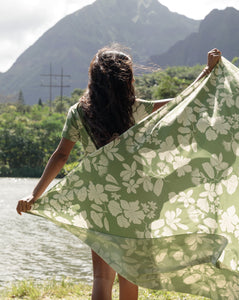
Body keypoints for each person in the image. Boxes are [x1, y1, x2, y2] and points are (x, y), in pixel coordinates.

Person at [16, 46, 221, 300]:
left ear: (94, 81)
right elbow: (180, 104)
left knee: (102, 277)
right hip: (135, 201)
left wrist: (35, 194)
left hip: (98, 201)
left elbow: (61, 155)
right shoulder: (135, 110)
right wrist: (206, 71)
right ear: (126, 82)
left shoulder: (78, 113)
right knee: (129, 274)